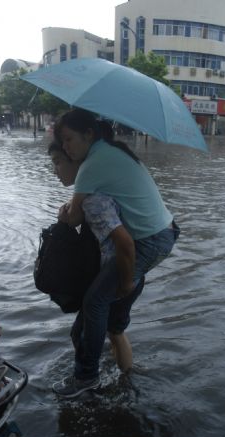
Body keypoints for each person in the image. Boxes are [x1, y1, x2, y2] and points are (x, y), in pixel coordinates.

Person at [51, 109, 180, 398]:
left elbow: (75, 219)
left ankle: (86, 378)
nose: (67, 147)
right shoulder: (110, 151)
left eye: (69, 139)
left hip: (148, 241)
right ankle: (121, 373)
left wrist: (125, 280)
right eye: (63, 141)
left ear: (89, 135)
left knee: (95, 303)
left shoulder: (92, 165)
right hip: (163, 231)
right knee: (112, 322)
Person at [48, 140, 144, 375]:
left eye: (58, 162)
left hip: (119, 275)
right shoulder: (99, 190)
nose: (55, 170)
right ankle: (125, 380)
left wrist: (124, 282)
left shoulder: (93, 200)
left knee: (80, 333)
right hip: (131, 273)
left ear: (78, 162)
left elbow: (123, 242)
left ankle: (88, 381)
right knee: (116, 330)